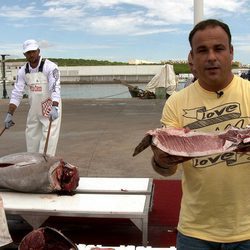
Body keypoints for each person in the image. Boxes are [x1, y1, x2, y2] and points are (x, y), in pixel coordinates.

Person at [151, 19, 250, 249]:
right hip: (195, 231)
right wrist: (161, 159)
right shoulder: (176, 103)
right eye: (202, 51)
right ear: (192, 58)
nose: (211, 57)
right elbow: (166, 170)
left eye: (219, 48)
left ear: (231, 52)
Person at [4, 39, 62, 156]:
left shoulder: (50, 66)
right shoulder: (22, 71)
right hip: (34, 109)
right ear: (24, 54)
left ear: (38, 51)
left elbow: (55, 87)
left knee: (48, 141)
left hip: (49, 107)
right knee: (31, 140)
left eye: (33, 51)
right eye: (28, 52)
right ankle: (32, 164)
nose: (31, 54)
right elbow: (17, 93)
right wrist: (10, 114)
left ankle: (45, 166)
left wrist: (55, 106)